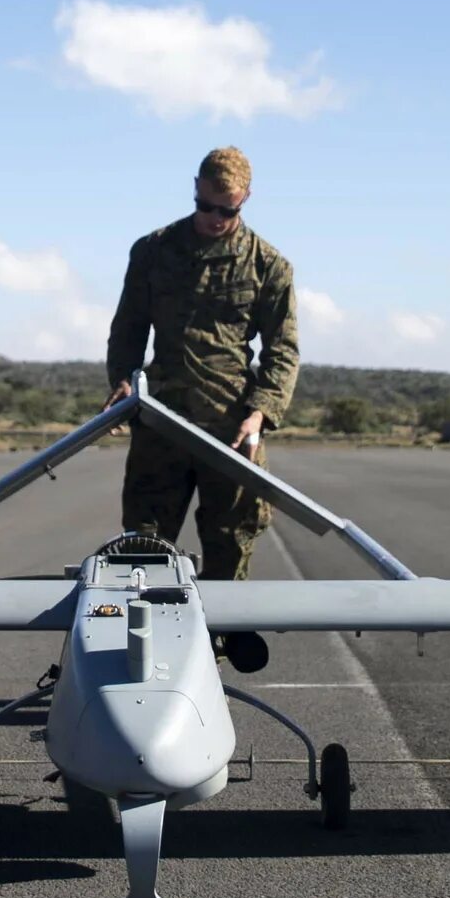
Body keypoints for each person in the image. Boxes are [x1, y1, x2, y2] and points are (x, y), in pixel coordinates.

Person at [103, 145, 301, 580]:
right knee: (144, 545)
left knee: (230, 544)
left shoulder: (269, 266)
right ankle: (143, 642)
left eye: (225, 211)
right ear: (194, 189)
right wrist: (122, 381)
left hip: (230, 429)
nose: (214, 218)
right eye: (205, 206)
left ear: (245, 197)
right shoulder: (153, 252)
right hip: (161, 423)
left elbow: (282, 350)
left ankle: (221, 645)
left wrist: (261, 413)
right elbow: (129, 328)